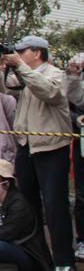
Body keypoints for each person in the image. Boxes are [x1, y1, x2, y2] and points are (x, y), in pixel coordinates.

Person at [0, 36, 75, 268]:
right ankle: (38, 259)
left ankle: (63, 261)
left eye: (22, 50)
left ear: (37, 52)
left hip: (51, 149)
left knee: (55, 206)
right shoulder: (23, 74)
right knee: (28, 207)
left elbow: (48, 92)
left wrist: (21, 66)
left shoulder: (54, 74)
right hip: (26, 148)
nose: (17, 53)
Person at [66, 56, 84, 261]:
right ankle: (81, 240)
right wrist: (73, 75)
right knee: (81, 195)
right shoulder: (77, 74)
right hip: (81, 142)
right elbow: (73, 103)